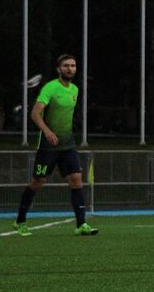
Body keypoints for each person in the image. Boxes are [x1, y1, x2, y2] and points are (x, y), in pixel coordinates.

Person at [13, 55, 97, 236]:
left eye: (73, 66)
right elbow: (35, 114)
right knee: (38, 182)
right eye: (66, 66)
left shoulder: (74, 89)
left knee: (76, 179)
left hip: (67, 144)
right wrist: (48, 132)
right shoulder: (51, 87)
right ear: (59, 69)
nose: (70, 69)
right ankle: (20, 220)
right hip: (48, 146)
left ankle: (81, 224)